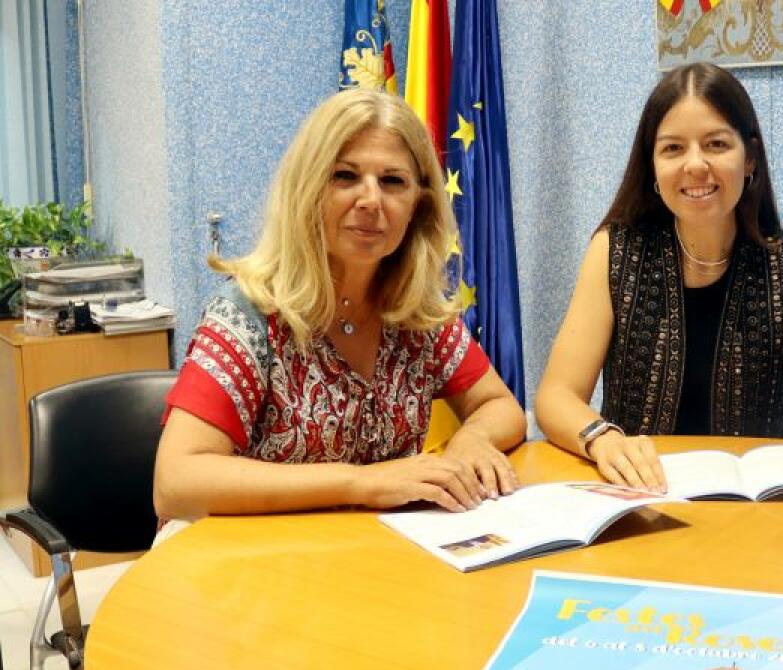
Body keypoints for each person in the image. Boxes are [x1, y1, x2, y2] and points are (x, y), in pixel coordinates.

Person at [535, 63, 783, 505]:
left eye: (716, 144)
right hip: (637, 505)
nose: (695, 164)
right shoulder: (615, 251)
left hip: (760, 519)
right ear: (652, 166)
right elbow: (556, 395)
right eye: (673, 148)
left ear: (749, 158)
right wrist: (602, 438)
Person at [154, 89, 526, 521]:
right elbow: (176, 482)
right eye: (345, 176)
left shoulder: (415, 313)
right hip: (256, 565)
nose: (371, 200)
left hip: (377, 557)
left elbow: (501, 408)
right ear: (308, 189)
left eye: (393, 182)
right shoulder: (247, 315)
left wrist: (471, 441)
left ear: (417, 207)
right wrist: (361, 483)